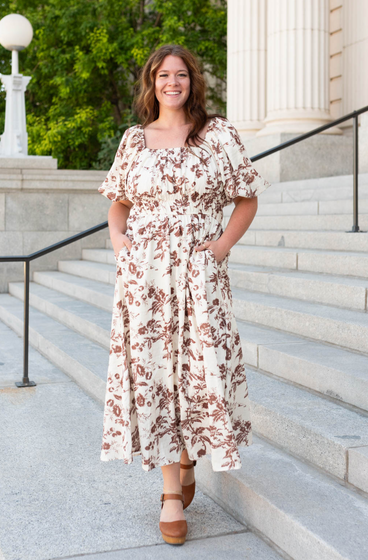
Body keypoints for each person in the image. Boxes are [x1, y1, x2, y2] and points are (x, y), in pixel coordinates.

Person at [97, 44, 271, 546]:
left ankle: (188, 459)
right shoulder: (134, 140)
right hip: (145, 278)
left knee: (196, 371)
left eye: (181, 74)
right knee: (155, 373)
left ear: (193, 81)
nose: (172, 82)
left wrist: (219, 248)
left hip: (199, 273)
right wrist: (120, 241)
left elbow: (247, 196)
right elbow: (118, 204)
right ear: (151, 83)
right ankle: (171, 492)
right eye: (162, 75)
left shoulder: (218, 136)